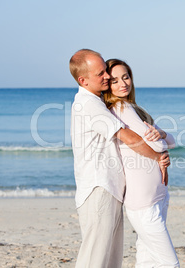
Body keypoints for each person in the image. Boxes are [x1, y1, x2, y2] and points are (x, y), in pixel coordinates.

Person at [69, 49, 170, 267]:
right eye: (101, 74)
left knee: (110, 257)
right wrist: (158, 158)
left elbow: (164, 138)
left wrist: (160, 140)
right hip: (99, 188)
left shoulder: (98, 103)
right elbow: (129, 137)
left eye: (106, 71)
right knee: (95, 257)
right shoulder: (89, 105)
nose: (106, 77)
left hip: (111, 188)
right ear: (83, 80)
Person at [104, 58, 180, 267]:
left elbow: (171, 140)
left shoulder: (135, 109)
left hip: (157, 195)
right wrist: (161, 148)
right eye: (115, 80)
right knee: (169, 263)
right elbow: (158, 146)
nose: (123, 84)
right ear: (107, 86)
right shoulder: (120, 109)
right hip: (143, 202)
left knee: (147, 261)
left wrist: (161, 135)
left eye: (126, 77)